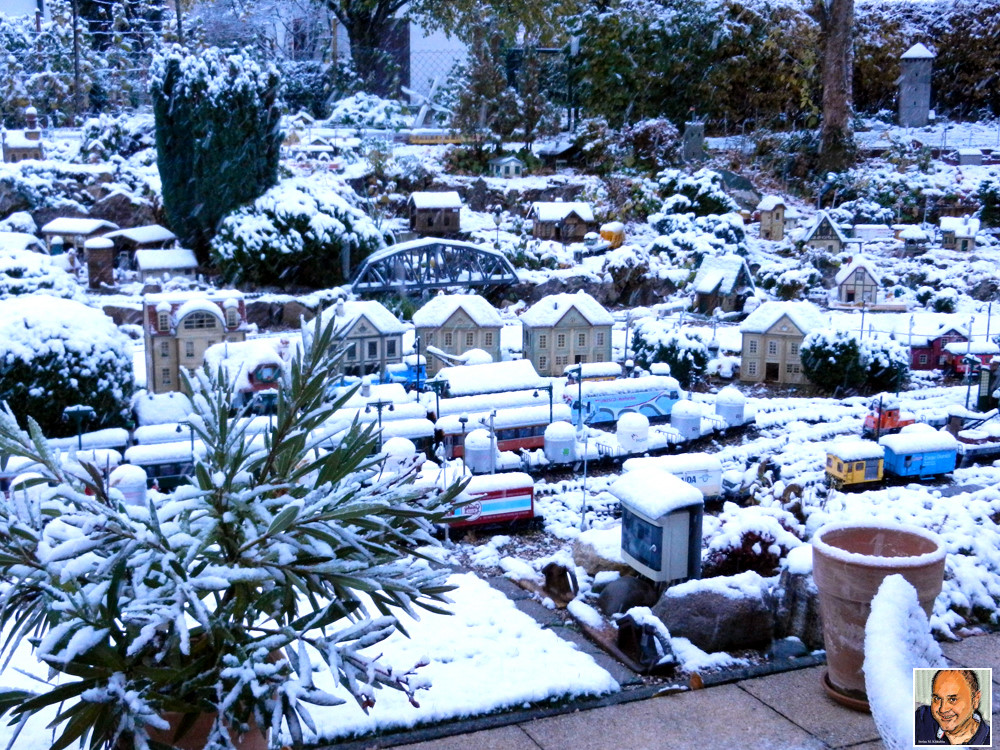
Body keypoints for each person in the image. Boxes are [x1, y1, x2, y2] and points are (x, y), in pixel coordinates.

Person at [915, 669, 991, 745]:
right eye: (937, 699)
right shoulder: (922, 719)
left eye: (953, 699)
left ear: (975, 700)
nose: (942, 709)